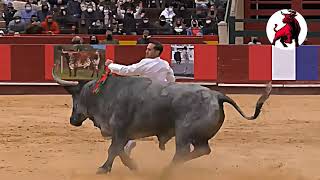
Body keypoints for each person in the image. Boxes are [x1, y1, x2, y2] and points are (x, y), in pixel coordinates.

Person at [104, 41, 176, 156]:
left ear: (157, 51)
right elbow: (172, 79)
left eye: (150, 49)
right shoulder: (165, 64)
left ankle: (128, 141)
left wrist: (111, 65)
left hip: (146, 96)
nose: (146, 51)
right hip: (164, 95)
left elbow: (127, 71)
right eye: (147, 49)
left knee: (124, 115)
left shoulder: (146, 63)